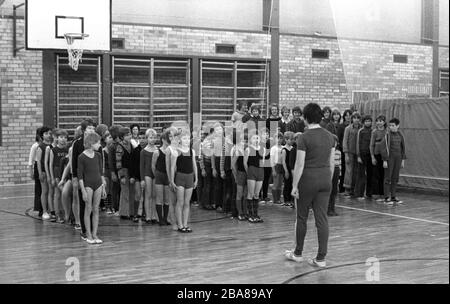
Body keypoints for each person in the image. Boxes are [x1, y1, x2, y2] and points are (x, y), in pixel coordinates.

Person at [285, 103, 335, 268]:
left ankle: (298, 253)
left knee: (301, 218)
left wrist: (294, 185)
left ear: (305, 118)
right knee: (322, 219)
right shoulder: (330, 136)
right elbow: (331, 163)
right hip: (325, 179)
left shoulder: (304, 137)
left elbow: (299, 164)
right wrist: (328, 179)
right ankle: (321, 258)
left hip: (307, 180)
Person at [78, 132, 106, 244]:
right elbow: (80, 176)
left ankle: (95, 233)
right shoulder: (81, 157)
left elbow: (101, 172)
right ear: (91, 143)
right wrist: (83, 190)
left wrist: (103, 186)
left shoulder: (98, 155)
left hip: (98, 183)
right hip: (88, 185)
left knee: (96, 209)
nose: (100, 144)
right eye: (98, 142)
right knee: (88, 209)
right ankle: (88, 234)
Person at [72, 119, 97, 240]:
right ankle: (84, 229)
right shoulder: (77, 143)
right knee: (84, 204)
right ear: (83, 130)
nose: (92, 130)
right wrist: (75, 177)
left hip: (94, 178)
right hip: (82, 178)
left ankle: (93, 229)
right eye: (89, 128)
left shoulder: (96, 142)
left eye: (93, 128)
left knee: (93, 205)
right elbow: (73, 161)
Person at [170, 130, 198, 233]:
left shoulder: (192, 151)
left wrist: (196, 178)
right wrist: (172, 181)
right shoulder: (176, 151)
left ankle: (186, 224)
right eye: (184, 138)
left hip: (190, 177)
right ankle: (180, 225)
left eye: (188, 138)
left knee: (187, 203)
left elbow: (194, 165)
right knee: (180, 202)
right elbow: (173, 168)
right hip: (180, 178)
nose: (186, 140)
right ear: (180, 140)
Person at [382, 118, 407, 205]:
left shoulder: (400, 135)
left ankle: (393, 196)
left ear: (398, 126)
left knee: (395, 178)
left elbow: (403, 148)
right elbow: (384, 148)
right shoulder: (387, 136)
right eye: (390, 126)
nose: (391, 127)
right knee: (387, 178)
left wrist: (403, 160)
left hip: (398, 158)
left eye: (393, 126)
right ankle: (386, 197)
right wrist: (385, 160)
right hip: (390, 158)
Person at [152, 129, 172, 226]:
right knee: (159, 198)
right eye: (168, 139)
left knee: (167, 199)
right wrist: (156, 175)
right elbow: (153, 165)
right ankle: (160, 219)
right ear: (163, 140)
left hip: (167, 176)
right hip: (159, 175)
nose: (169, 141)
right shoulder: (157, 152)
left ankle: (165, 218)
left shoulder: (171, 152)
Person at [49, 128, 69, 223]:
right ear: (57, 138)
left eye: (65, 137)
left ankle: (66, 213)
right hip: (57, 174)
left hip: (64, 173)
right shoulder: (53, 150)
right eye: (61, 137)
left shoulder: (67, 150)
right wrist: (52, 178)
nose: (63, 139)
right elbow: (51, 165)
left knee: (65, 194)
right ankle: (58, 215)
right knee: (57, 194)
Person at [244, 131, 265, 223]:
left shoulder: (262, 149)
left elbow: (263, 161)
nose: (256, 140)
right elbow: (245, 163)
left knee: (257, 194)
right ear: (250, 140)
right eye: (254, 138)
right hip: (251, 171)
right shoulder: (248, 149)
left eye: (257, 138)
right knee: (251, 194)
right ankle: (250, 214)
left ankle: (256, 214)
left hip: (260, 171)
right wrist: (248, 172)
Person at [140, 128, 158, 224]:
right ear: (147, 138)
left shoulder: (157, 150)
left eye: (154, 137)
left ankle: (154, 215)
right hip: (147, 174)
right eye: (151, 137)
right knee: (148, 195)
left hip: (155, 174)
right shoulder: (143, 151)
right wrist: (142, 179)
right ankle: (147, 216)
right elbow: (141, 166)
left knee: (155, 195)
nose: (153, 139)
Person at [355, 115, 374, 200]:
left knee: (370, 174)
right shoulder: (361, 131)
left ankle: (369, 193)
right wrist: (358, 156)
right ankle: (360, 194)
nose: (368, 122)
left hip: (370, 155)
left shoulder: (373, 131)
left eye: (369, 121)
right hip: (362, 154)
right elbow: (358, 144)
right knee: (361, 175)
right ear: (363, 122)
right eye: (366, 121)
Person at [342, 112, 361, 197]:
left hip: (359, 153)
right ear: (352, 119)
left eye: (358, 118)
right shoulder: (348, 129)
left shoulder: (361, 129)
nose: (356, 120)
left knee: (357, 171)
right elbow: (345, 141)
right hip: (349, 152)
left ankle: (355, 188)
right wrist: (346, 154)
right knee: (349, 171)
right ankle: (347, 188)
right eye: (354, 118)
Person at [116, 127, 133, 220]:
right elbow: (118, 162)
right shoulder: (120, 146)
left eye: (130, 134)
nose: (129, 136)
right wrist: (121, 176)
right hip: (124, 171)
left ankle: (129, 211)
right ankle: (123, 212)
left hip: (130, 170)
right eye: (127, 135)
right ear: (122, 137)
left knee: (130, 192)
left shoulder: (131, 145)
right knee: (125, 191)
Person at [35, 126, 52, 220]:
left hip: (51, 171)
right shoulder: (40, 147)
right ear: (42, 136)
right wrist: (40, 173)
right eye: (46, 134)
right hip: (44, 172)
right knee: (45, 191)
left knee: (50, 192)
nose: (48, 135)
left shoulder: (52, 145)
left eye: (49, 133)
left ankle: (50, 210)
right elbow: (38, 161)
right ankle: (44, 211)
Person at [370, 115, 388, 202]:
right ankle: (375, 193)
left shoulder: (387, 132)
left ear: (384, 122)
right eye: (377, 121)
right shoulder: (374, 132)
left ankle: (382, 193)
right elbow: (371, 145)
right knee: (376, 175)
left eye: (381, 121)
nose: (379, 122)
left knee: (383, 175)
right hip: (376, 155)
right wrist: (372, 156)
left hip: (384, 156)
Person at [231, 132, 248, 221]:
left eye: (246, 141)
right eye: (243, 141)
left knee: (246, 195)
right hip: (241, 173)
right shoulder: (238, 151)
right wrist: (236, 175)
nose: (245, 143)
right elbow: (233, 164)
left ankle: (245, 212)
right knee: (239, 194)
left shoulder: (249, 150)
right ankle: (240, 213)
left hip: (248, 174)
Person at [129, 124, 143, 222]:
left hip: (143, 172)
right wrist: (132, 175)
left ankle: (142, 213)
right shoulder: (131, 144)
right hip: (136, 172)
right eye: (133, 129)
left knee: (143, 194)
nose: (135, 131)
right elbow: (132, 162)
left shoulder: (141, 143)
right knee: (137, 194)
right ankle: (134, 213)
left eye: (137, 129)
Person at [107, 125, 122, 216]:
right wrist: (113, 173)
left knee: (120, 189)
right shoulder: (112, 146)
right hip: (115, 171)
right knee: (115, 189)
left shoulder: (120, 144)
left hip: (121, 170)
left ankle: (120, 207)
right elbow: (110, 161)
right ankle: (115, 207)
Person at [199, 128, 214, 210]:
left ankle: (209, 202)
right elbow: (201, 157)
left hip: (211, 164)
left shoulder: (212, 142)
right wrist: (202, 168)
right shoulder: (205, 142)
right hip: (207, 164)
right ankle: (206, 203)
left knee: (210, 184)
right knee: (207, 184)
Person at [220, 129, 235, 215]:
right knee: (228, 190)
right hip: (227, 169)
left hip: (233, 169)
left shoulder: (235, 144)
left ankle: (231, 208)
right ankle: (226, 208)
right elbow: (222, 158)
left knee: (232, 190)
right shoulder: (225, 145)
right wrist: (222, 170)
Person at [338, 109, 352, 192]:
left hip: (352, 150)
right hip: (343, 150)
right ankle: (342, 188)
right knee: (343, 169)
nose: (348, 117)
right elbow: (339, 138)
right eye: (346, 115)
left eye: (349, 115)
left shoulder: (355, 126)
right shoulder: (341, 126)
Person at [211, 123, 225, 212]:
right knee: (218, 185)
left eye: (220, 129)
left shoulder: (227, 140)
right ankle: (218, 204)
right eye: (217, 130)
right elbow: (212, 155)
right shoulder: (213, 141)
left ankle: (225, 204)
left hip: (225, 161)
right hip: (217, 161)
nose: (219, 131)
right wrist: (213, 168)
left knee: (225, 185)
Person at [29, 127, 42, 216]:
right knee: (39, 189)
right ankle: (39, 208)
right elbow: (31, 160)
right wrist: (31, 172)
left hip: (44, 166)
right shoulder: (35, 146)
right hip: (37, 166)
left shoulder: (47, 145)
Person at [281, 131, 295, 207]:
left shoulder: (293, 148)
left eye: (293, 139)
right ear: (286, 140)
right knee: (287, 184)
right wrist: (286, 171)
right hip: (286, 168)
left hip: (292, 168)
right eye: (290, 139)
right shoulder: (284, 150)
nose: (292, 141)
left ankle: (291, 199)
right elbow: (283, 162)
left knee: (292, 184)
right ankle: (286, 200)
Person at [328, 135, 341, 216]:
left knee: (334, 191)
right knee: (329, 190)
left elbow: (340, 164)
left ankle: (332, 209)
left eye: (335, 142)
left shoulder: (338, 152)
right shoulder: (328, 152)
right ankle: (327, 209)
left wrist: (339, 176)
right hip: (329, 170)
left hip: (336, 170)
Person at [270, 132, 284, 205]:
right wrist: (273, 170)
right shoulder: (273, 148)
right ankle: (275, 199)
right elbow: (272, 160)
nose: (279, 140)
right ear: (274, 139)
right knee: (276, 183)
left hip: (281, 166)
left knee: (280, 184)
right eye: (277, 138)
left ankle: (278, 199)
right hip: (276, 165)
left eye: (280, 138)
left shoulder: (283, 147)